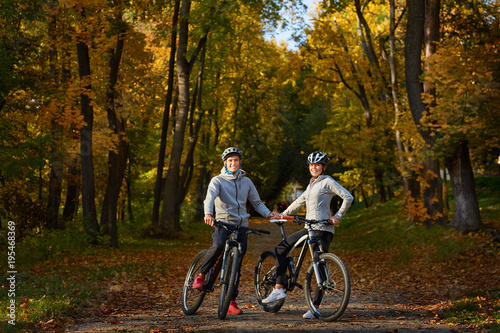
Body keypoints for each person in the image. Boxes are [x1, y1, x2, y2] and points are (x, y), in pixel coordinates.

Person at [261, 151, 354, 319]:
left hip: (323, 229)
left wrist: (337, 216)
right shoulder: (311, 184)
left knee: (320, 265)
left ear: (324, 167)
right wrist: (282, 215)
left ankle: (314, 307)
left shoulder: (327, 181)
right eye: (312, 165)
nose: (314, 168)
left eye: (317, 165)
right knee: (281, 248)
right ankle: (279, 289)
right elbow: (299, 202)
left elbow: (348, 197)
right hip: (309, 228)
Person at [192, 147, 280, 315]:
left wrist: (269, 214)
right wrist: (208, 214)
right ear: (225, 163)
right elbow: (209, 198)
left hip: (242, 226)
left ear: (240, 162)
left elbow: (256, 202)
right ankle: (201, 275)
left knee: (236, 266)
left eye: (236, 160)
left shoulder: (246, 182)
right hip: (223, 223)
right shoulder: (217, 181)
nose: (233, 163)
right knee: (217, 246)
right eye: (230, 160)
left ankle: (231, 301)